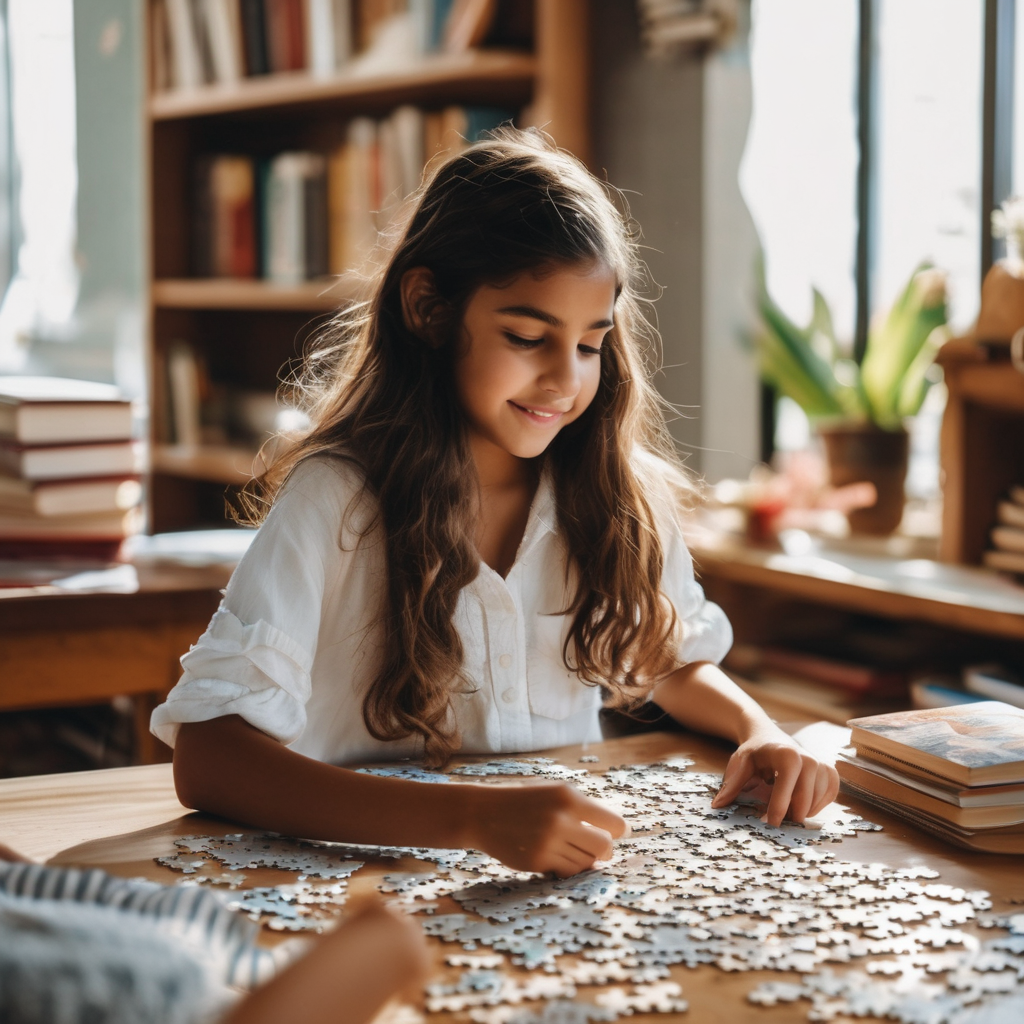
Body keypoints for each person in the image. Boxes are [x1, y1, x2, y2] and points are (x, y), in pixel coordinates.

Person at [153, 129, 839, 878]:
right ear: (428, 308)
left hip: (551, 893)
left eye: (588, 345)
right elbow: (209, 758)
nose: (564, 380)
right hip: (361, 893)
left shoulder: (621, 497)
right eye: (525, 336)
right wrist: (474, 819)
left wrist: (760, 729)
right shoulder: (339, 499)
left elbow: (667, 661)